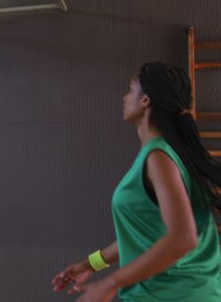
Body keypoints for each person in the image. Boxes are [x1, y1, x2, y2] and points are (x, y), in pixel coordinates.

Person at [52, 62, 221, 302]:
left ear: (145, 101)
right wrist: (91, 264)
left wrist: (111, 282)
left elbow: (183, 238)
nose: (124, 97)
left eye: (130, 90)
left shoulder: (159, 158)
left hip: (174, 295)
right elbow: (144, 234)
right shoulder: (168, 154)